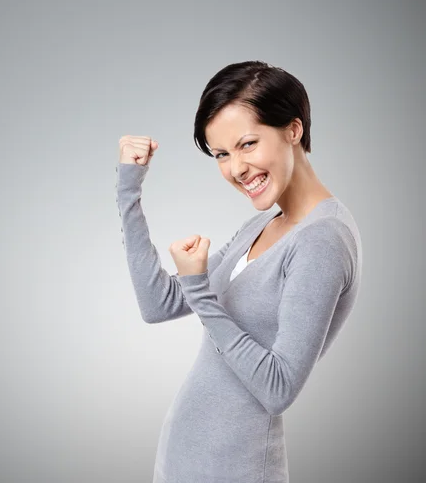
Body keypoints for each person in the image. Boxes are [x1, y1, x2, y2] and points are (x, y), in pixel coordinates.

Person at [114, 60, 362, 483]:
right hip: (183, 460)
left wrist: (198, 287)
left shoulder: (323, 240)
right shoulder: (263, 223)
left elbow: (278, 388)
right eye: (222, 155)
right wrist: (128, 190)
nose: (235, 169)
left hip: (237, 469)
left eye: (247, 144)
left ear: (293, 130)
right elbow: (157, 305)